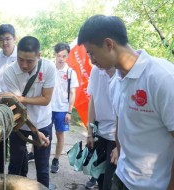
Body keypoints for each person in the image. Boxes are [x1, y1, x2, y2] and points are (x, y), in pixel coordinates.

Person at [78, 14, 174, 190]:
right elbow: (120, 122)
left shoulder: (162, 78)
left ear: (109, 44)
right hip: (122, 178)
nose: (91, 61)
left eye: (92, 53)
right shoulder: (116, 81)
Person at [2, 36, 55, 188]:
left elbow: (46, 99)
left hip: (43, 122)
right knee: (15, 165)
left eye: (30, 61)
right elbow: (18, 108)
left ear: (39, 56)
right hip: (19, 124)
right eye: (20, 59)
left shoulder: (48, 68)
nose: (24, 65)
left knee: (42, 167)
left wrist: (21, 98)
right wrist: (33, 130)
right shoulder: (10, 72)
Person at [85, 65, 117, 189]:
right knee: (99, 176)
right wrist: (90, 132)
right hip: (100, 131)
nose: (92, 60)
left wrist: (120, 145)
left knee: (110, 180)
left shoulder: (122, 72)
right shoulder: (96, 69)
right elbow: (93, 100)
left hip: (116, 135)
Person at [50, 43, 79, 173]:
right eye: (58, 55)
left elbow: (73, 93)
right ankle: (36, 154)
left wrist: (69, 111)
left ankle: (56, 159)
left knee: (59, 134)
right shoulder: (49, 68)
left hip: (62, 108)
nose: (61, 58)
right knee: (43, 133)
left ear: (67, 56)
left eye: (64, 56)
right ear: (55, 55)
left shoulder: (70, 72)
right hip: (47, 107)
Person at [0, 24, 17, 174]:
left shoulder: (21, 56)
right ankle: (0, 170)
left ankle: (18, 172)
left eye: (7, 39)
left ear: (15, 38)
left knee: (16, 137)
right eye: (1, 40)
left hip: (16, 102)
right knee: (0, 137)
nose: (4, 43)